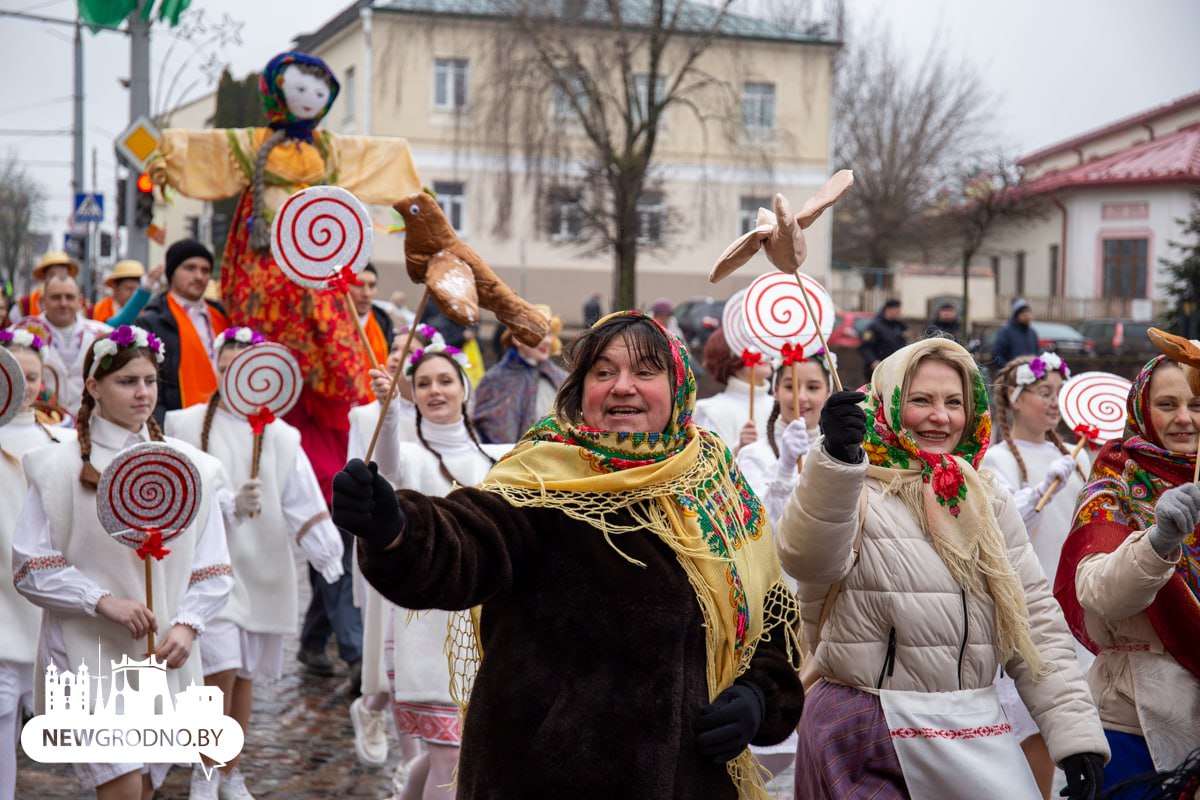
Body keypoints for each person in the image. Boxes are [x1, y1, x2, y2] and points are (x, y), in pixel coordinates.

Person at [334, 311, 805, 800]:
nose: (623, 387)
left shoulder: (716, 484)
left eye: (645, 372)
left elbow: (769, 622)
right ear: (581, 390)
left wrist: (758, 697)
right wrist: (396, 529)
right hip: (543, 779)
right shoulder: (543, 480)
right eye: (603, 373)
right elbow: (469, 541)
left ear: (679, 386)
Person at [778, 337, 1108, 800]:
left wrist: (1075, 738)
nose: (941, 417)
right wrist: (834, 460)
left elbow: (1033, 620)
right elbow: (806, 558)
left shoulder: (985, 496)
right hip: (868, 733)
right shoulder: (853, 484)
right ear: (889, 405)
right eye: (920, 400)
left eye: (955, 402)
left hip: (974, 725)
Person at [148, 51, 422, 505]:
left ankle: (341, 464)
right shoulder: (255, 144)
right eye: (300, 90)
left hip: (317, 268)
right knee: (264, 350)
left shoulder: (329, 148)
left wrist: (411, 188)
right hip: (266, 266)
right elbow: (208, 150)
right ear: (278, 92)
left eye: (319, 93)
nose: (310, 99)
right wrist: (171, 153)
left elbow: (376, 156)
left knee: (333, 351)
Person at [13, 325, 234, 799]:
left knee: (145, 788)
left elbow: (214, 567)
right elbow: (31, 565)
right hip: (86, 653)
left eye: (150, 381)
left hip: (160, 658)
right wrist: (100, 600)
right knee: (123, 789)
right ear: (93, 387)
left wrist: (188, 626)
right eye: (127, 381)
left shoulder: (190, 468)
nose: (143, 392)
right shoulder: (55, 467)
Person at [164, 326, 344, 799]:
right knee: (216, 670)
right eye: (225, 365)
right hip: (203, 570)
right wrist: (223, 502)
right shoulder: (185, 424)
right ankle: (204, 772)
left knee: (242, 675)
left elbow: (300, 494)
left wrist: (326, 548)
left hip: (258, 566)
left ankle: (228, 769)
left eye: (243, 365)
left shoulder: (280, 435)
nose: (232, 374)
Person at [361, 332, 508, 799]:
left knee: (449, 755)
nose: (435, 390)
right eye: (423, 383)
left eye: (446, 380)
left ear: (465, 388)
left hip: (485, 633)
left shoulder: (499, 459)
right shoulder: (412, 458)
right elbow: (387, 466)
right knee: (450, 760)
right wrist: (387, 415)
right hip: (427, 633)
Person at [1055, 355, 1200, 796]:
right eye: (1167, 404)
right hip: (1135, 725)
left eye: (1196, 405)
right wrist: (1159, 541)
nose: (1184, 419)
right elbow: (1099, 593)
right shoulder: (1113, 481)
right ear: (1141, 409)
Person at [983, 352, 1093, 797]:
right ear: (1015, 396)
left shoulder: (1077, 458)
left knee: (1074, 717)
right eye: (1044, 393)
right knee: (1032, 731)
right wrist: (1039, 491)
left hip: (1074, 604)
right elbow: (1001, 533)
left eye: (1058, 393)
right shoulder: (996, 461)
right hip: (1031, 603)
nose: (1054, 402)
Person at [0, 329, 74, 800]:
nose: (26, 389)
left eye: (32, 377)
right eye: (16, 377)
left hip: (51, 596)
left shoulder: (62, 440)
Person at [736, 350, 833, 532]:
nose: (801, 397)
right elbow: (757, 531)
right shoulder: (752, 455)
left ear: (828, 393)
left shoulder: (836, 456)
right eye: (790, 387)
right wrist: (785, 470)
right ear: (776, 391)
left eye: (812, 388)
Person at [135, 239, 229, 424]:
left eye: (205, 270)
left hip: (226, 420)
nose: (199, 276)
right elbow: (149, 385)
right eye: (190, 268)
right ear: (172, 272)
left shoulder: (222, 315)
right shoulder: (152, 321)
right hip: (178, 426)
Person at [14, 273, 111, 417]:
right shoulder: (19, 333)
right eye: (56, 297)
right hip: (39, 425)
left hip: (92, 427)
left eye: (70, 297)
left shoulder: (103, 334)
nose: (63, 303)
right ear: (42, 301)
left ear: (80, 301)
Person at [472, 308, 567, 444]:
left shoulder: (561, 378)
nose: (546, 341)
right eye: (538, 333)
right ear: (517, 339)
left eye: (549, 334)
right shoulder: (495, 379)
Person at [693, 326, 772, 451]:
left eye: (764, 344)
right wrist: (738, 450)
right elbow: (709, 464)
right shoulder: (710, 411)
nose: (765, 353)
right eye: (754, 346)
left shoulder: (781, 406)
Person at [349, 263, 394, 369]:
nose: (366, 293)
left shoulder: (383, 321)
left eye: (372, 286)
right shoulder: (331, 322)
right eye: (358, 285)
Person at [15, 251, 78, 321]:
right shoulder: (25, 304)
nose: (63, 303)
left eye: (62, 275)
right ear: (43, 276)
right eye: (52, 275)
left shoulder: (84, 307)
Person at [858, 297, 906, 383]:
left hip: (895, 370)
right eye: (897, 311)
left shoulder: (899, 327)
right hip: (878, 371)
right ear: (888, 310)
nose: (900, 313)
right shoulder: (874, 326)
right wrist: (873, 361)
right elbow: (865, 347)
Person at [993, 299, 1039, 369]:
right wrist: (1007, 369)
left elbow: (1036, 354)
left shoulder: (1032, 333)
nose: (1027, 315)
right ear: (1016, 315)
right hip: (1012, 376)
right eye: (1023, 312)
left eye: (1028, 312)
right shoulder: (1005, 332)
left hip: (1031, 375)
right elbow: (996, 354)